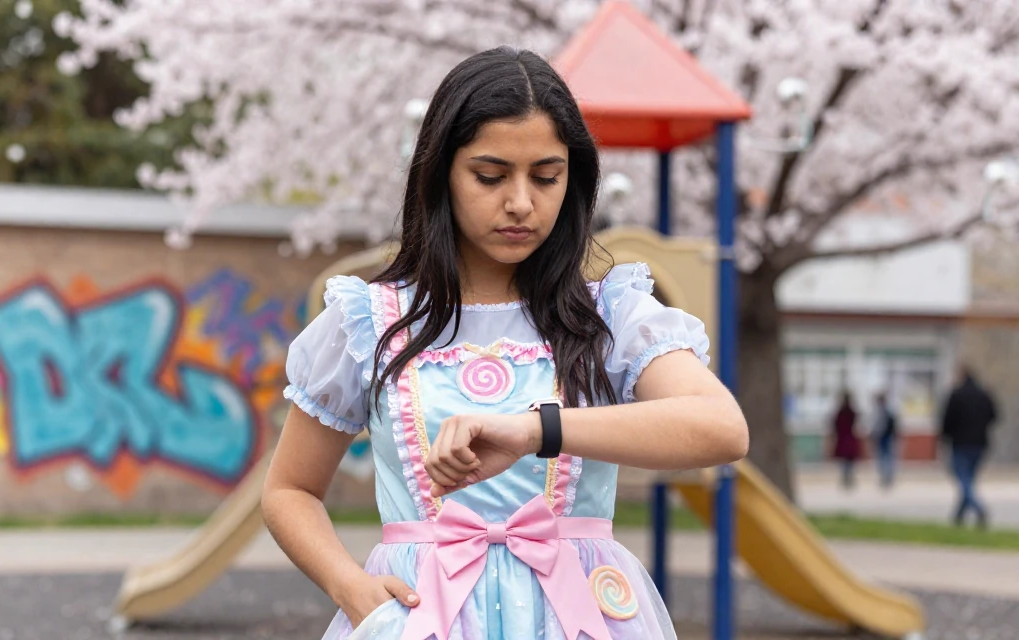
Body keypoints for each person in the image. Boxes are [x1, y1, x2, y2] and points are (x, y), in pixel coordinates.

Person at [261, 47, 749, 640]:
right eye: (490, 176)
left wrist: (534, 430)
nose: (521, 202)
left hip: (583, 618)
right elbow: (290, 489)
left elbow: (721, 428)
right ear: (441, 172)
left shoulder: (610, 314)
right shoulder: (371, 320)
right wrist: (352, 589)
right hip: (419, 619)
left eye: (547, 177)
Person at [940, 366, 998, 529]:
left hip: (961, 442)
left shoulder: (956, 395)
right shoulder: (984, 394)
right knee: (968, 479)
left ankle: (978, 508)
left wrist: (945, 437)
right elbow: (994, 416)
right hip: (980, 442)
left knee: (962, 478)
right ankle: (959, 516)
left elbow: (947, 420)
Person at [830, 391, 861, 491]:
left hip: (843, 439)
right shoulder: (852, 412)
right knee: (849, 461)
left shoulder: (840, 413)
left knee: (844, 461)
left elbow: (834, 425)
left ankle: (846, 478)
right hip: (849, 438)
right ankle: (848, 478)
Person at [872, 392, 898, 489]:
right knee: (884, 458)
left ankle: (887, 477)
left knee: (885, 458)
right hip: (882, 438)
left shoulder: (886, 412)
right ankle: (885, 477)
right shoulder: (881, 411)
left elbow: (890, 426)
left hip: (886, 437)